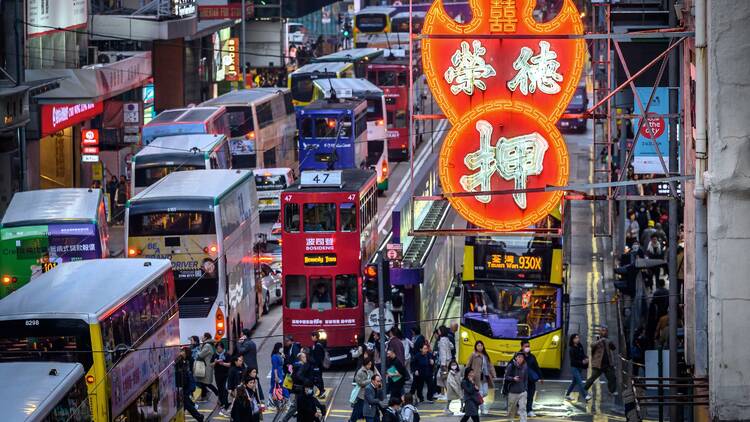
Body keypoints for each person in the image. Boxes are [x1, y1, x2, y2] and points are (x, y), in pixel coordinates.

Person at [584, 326, 618, 395]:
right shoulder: (596, 338)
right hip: (598, 364)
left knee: (612, 378)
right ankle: (584, 389)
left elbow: (614, 348)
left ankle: (612, 391)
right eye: (602, 330)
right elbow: (592, 345)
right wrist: (600, 340)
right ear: (600, 332)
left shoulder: (608, 339)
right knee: (592, 378)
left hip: (607, 364)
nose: (604, 332)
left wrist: (610, 342)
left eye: (605, 331)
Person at [467, 341, 496, 415]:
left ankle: (474, 399)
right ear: (476, 346)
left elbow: (490, 365)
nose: (480, 347)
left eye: (481, 345)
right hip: (476, 377)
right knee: (480, 393)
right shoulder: (473, 355)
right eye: (478, 345)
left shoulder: (485, 355)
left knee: (485, 392)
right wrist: (468, 375)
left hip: (485, 377)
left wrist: (493, 374)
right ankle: (482, 409)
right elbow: (468, 365)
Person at [176, 347, 204, 422]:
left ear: (186, 353)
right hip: (185, 385)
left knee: (186, 404)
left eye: (182, 351)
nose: (181, 352)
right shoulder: (183, 361)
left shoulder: (186, 361)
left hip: (186, 386)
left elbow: (185, 373)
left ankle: (199, 417)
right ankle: (199, 417)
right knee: (186, 403)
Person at [565, 334, 592, 402]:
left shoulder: (580, 345)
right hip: (574, 368)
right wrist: (582, 362)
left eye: (578, 338)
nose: (578, 339)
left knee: (574, 382)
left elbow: (582, 354)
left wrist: (586, 358)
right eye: (576, 338)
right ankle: (585, 396)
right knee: (580, 382)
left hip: (580, 367)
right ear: (573, 340)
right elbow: (573, 361)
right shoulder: (571, 349)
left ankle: (567, 394)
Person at [519, 340, 541, 417]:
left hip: (531, 380)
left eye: (528, 346)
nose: (527, 348)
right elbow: (512, 366)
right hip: (521, 380)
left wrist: (540, 377)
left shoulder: (532, 356)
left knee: (531, 395)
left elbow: (536, 367)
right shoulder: (518, 356)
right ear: (522, 347)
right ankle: (520, 408)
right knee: (522, 396)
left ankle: (529, 410)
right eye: (526, 346)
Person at [195, 332, 219, 402]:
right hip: (206, 366)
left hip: (206, 366)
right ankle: (203, 396)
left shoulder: (207, 345)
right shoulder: (207, 344)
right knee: (203, 382)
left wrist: (197, 352)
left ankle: (217, 393)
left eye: (202, 336)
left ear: (205, 338)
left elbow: (200, 355)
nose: (201, 338)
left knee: (206, 383)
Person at [504, 352, 528, 422]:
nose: (520, 359)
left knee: (522, 409)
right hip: (512, 392)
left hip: (522, 392)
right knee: (511, 410)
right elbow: (506, 377)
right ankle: (510, 420)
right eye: (519, 357)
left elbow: (526, 378)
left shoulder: (525, 366)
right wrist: (513, 378)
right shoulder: (511, 366)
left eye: (522, 357)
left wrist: (525, 389)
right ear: (516, 358)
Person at [213, 342, 231, 415]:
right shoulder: (215, 355)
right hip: (217, 375)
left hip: (226, 374)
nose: (218, 350)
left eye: (219, 348)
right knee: (220, 389)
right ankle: (222, 402)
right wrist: (215, 362)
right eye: (217, 349)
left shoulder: (227, 355)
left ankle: (225, 403)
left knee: (224, 389)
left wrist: (223, 363)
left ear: (222, 348)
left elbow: (230, 364)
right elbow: (210, 365)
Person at [436, 327, 453, 399]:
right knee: (440, 377)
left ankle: (446, 394)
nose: (438, 331)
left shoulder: (442, 340)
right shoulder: (447, 339)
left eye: (439, 330)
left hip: (445, 362)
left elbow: (443, 353)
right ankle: (443, 393)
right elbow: (452, 346)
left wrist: (443, 364)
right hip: (448, 360)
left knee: (444, 377)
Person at [310, 331, 327, 398]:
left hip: (317, 366)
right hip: (317, 365)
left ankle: (322, 391)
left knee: (317, 379)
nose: (311, 337)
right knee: (318, 378)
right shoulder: (317, 344)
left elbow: (318, 357)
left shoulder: (318, 345)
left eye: (312, 336)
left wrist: (316, 366)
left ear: (315, 337)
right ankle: (321, 391)